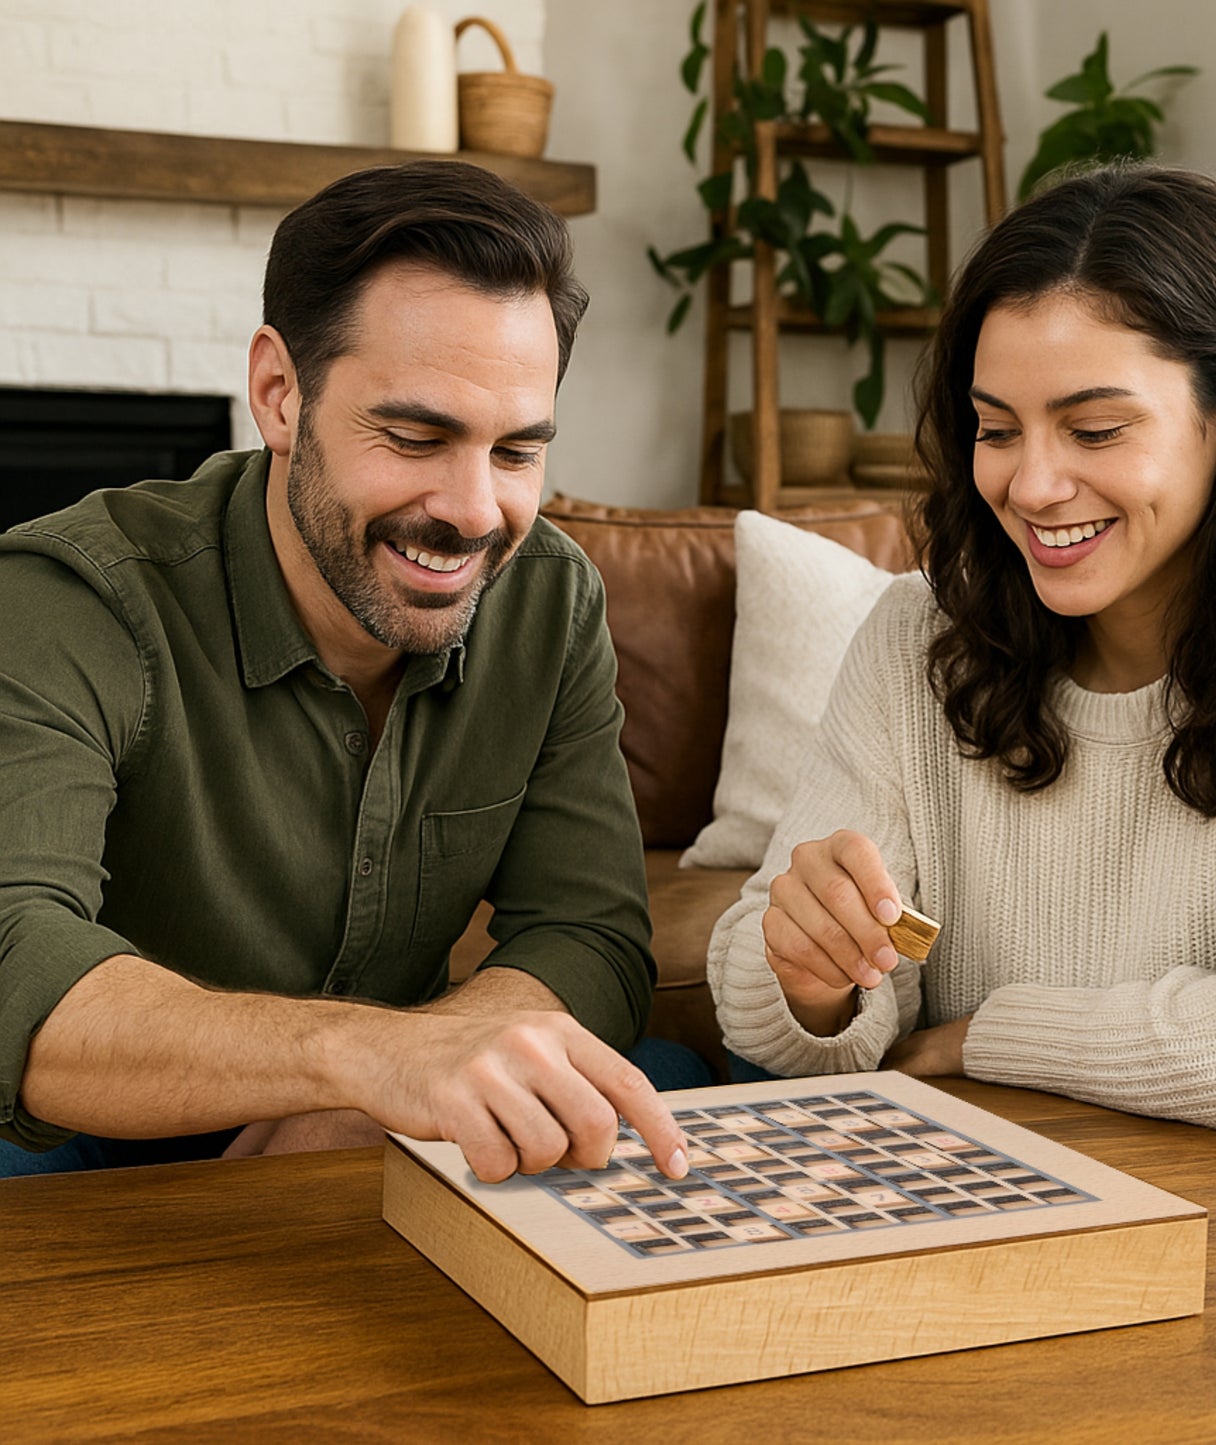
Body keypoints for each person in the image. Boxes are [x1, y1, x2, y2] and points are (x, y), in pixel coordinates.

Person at [708, 164, 1216, 1184]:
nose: (1033, 484)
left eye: (1094, 429)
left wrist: (982, 1036)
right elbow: (779, 1003)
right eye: (996, 428)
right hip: (1009, 1193)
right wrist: (810, 978)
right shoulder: (917, 635)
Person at [0, 160, 707, 1182]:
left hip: (397, 1104)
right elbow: (16, 953)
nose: (471, 511)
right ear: (280, 394)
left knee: (667, 1085)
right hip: (91, 1128)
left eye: (515, 451)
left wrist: (395, 1092)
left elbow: (587, 931)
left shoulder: (550, 600)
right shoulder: (69, 595)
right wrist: (356, 1065)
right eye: (416, 435)